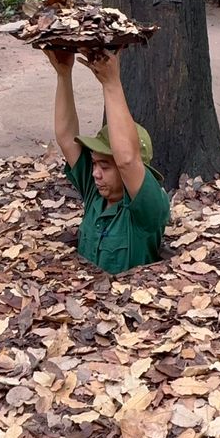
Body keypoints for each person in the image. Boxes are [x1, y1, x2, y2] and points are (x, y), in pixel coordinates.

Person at [46, 47, 170, 274]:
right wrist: (63, 74)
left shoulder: (148, 210)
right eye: (94, 164)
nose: (95, 174)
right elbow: (66, 138)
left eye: (105, 166)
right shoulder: (95, 192)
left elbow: (127, 161)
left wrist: (111, 83)